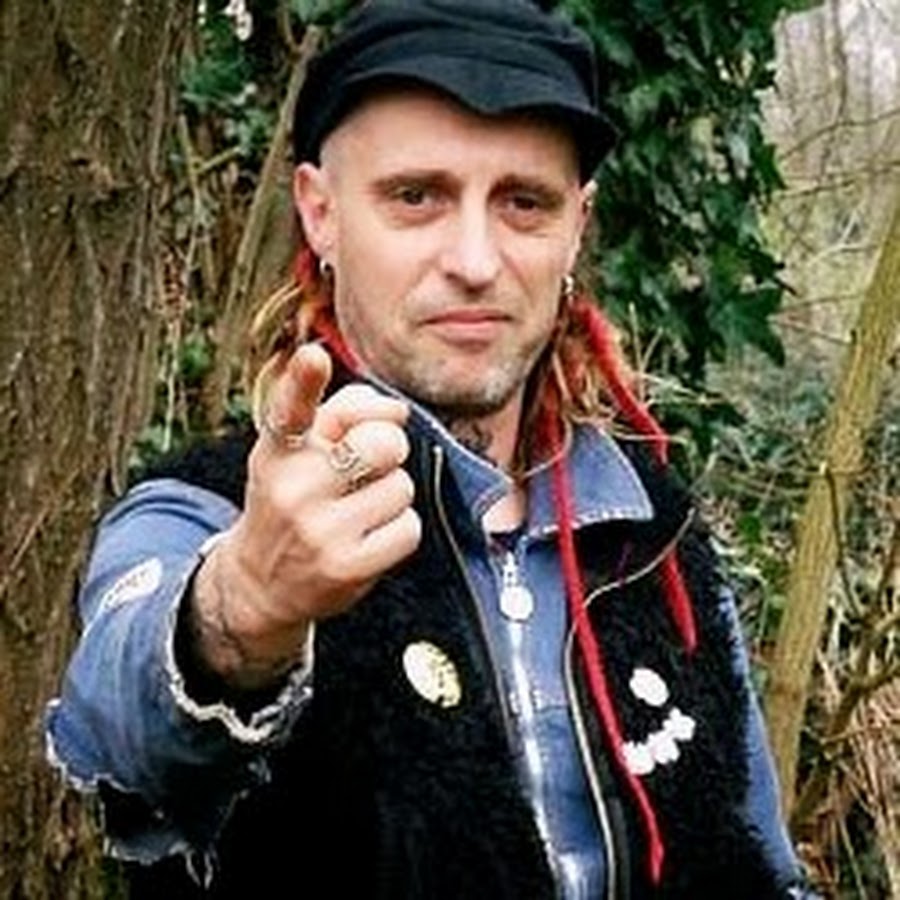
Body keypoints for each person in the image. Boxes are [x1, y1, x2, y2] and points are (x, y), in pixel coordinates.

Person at [46, 1, 818, 897]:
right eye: (416, 197)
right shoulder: (206, 511)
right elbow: (116, 728)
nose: (475, 261)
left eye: (524, 203)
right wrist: (239, 614)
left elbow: (763, 865)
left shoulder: (656, 538)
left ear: (577, 226)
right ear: (321, 213)